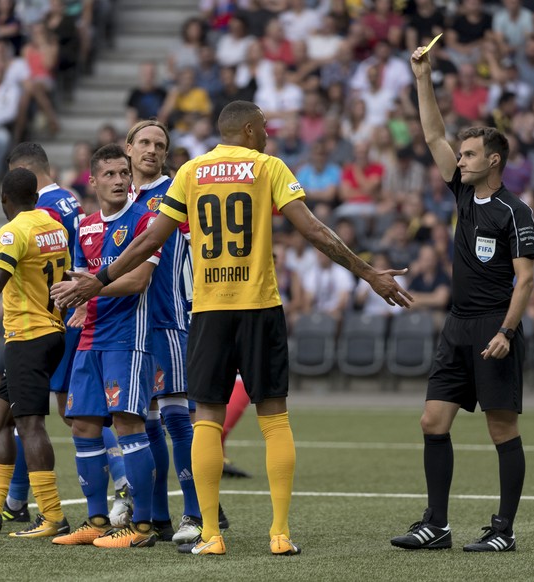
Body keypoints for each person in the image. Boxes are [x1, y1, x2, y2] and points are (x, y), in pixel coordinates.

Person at [56, 101, 411, 556]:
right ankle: (279, 534)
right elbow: (316, 232)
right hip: (260, 307)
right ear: (247, 129)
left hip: (208, 311)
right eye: (263, 128)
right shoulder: (269, 167)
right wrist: (369, 273)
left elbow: (149, 239)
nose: (267, 135)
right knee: (274, 417)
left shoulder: (190, 173)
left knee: (205, 417)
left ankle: (209, 533)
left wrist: (97, 280)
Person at [389, 44, 534, 553]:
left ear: (493, 161)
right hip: (457, 325)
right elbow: (432, 132)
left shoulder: (513, 211)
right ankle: (437, 524)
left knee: (502, 430)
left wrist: (506, 332)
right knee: (432, 420)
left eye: (470, 153)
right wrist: (423, 77)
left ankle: (504, 531)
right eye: (462, 153)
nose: (461, 158)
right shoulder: (460, 192)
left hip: (496, 328)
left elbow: (526, 280)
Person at [1, 142, 127, 526]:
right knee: (47, 410)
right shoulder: (69, 200)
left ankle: (122, 483)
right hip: (67, 312)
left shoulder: (39, 210)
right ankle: (15, 498)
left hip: (52, 317)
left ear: (22, 170)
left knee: (55, 412)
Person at [49, 144, 159, 549]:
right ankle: (96, 520)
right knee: (82, 425)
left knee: (129, 424)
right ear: (92, 181)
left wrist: (88, 289)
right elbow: (79, 280)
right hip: (90, 337)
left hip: (127, 339)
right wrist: (72, 295)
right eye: (109, 174)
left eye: (123, 174)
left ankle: (142, 527)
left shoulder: (145, 220)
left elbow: (138, 281)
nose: (118, 180)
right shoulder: (85, 226)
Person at [0, 168, 71, 539]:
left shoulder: (13, 230)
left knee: (30, 424)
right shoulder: (54, 225)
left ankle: (52, 515)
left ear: (5, 200)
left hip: (28, 336)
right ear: (36, 196)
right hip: (50, 332)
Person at [123, 120, 202, 544]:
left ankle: (196, 514)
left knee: (175, 416)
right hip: (127, 327)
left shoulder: (177, 193)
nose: (152, 150)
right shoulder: (122, 196)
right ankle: (155, 516)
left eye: (160, 145)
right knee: (143, 420)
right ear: (129, 147)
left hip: (167, 317)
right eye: (145, 143)